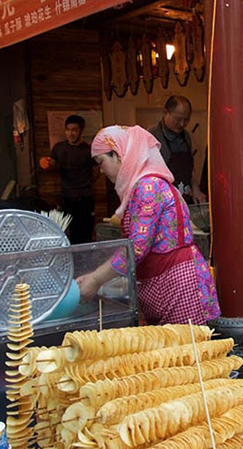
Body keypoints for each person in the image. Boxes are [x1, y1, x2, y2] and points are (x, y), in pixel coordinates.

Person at [76, 126, 220, 325]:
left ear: (118, 154)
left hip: (177, 284)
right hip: (161, 284)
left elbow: (137, 246)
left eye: (102, 162)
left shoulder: (148, 187)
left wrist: (95, 279)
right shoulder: (138, 187)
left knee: (184, 352)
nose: (101, 171)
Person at [43, 115, 98, 244]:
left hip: (86, 197)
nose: (70, 133)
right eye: (67, 130)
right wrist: (47, 164)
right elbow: (53, 166)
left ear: (81, 131)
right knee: (69, 232)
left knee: (86, 231)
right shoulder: (59, 148)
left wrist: (86, 184)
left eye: (74, 130)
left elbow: (96, 172)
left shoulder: (89, 150)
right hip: (67, 196)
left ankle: (85, 259)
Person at [148, 96, 207, 203]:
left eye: (186, 120)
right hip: (163, 201)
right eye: (178, 119)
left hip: (184, 198)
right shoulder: (151, 137)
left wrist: (196, 189)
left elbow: (190, 168)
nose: (182, 124)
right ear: (166, 113)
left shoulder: (186, 136)